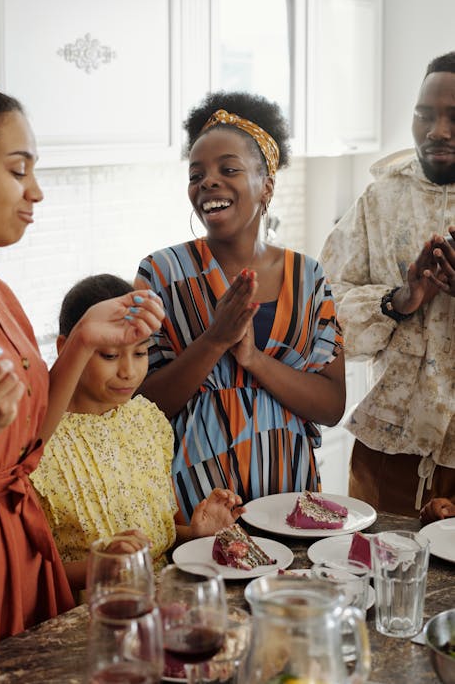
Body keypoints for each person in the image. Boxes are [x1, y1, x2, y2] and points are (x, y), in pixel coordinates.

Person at [0, 75, 164, 656]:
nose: (36, 192)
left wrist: (81, 344)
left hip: (14, 549)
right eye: (19, 170)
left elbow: (29, 444)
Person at [135, 91, 346, 523]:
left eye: (227, 169)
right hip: (195, 498)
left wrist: (252, 359)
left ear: (266, 183)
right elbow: (141, 408)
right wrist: (214, 340)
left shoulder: (308, 277)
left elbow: (331, 405)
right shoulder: (161, 273)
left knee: (287, 590)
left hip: (289, 490)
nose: (208, 182)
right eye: (197, 175)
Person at [30, 274, 245, 594]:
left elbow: (161, 531)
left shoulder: (147, 420)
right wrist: (103, 563)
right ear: (68, 347)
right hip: (91, 616)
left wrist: (196, 534)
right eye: (110, 355)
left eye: (140, 353)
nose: (129, 371)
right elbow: (28, 571)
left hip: (162, 601)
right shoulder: (38, 444)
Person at [319, 51, 455, 518]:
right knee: (374, 582)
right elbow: (323, 318)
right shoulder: (381, 198)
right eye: (424, 115)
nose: (437, 130)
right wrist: (398, 300)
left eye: (454, 117)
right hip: (387, 451)